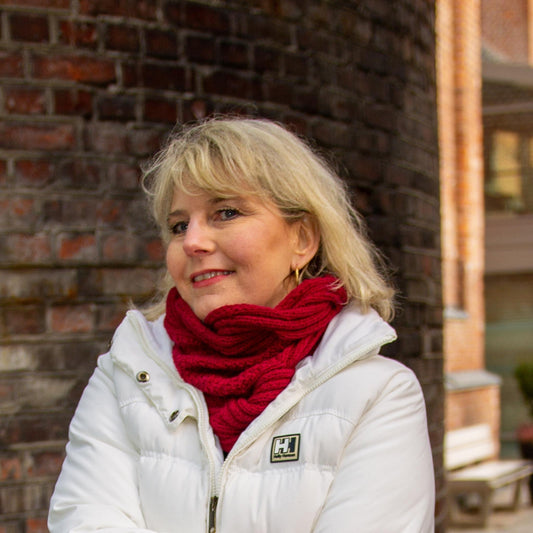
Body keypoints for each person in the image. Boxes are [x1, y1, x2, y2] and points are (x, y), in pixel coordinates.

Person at [48, 117, 435, 532]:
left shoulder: (377, 394)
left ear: (302, 239)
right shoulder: (126, 376)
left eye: (226, 213)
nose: (192, 241)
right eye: (179, 226)